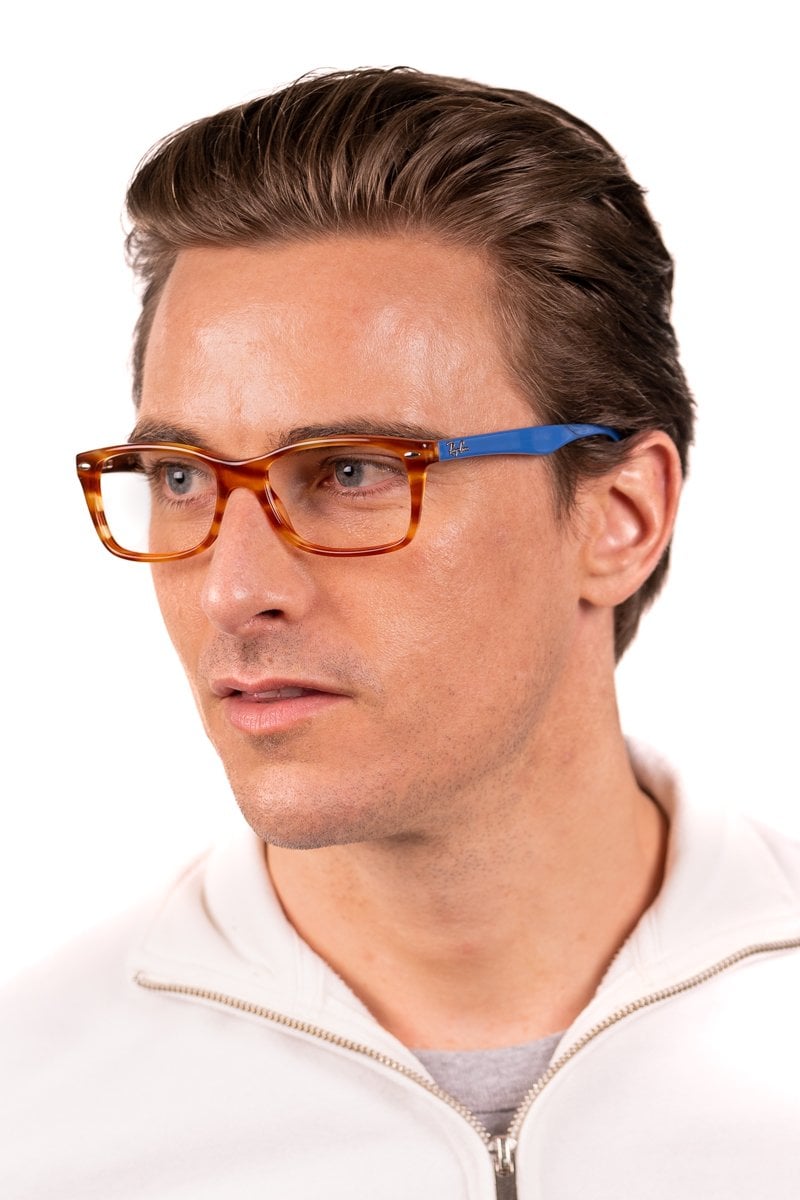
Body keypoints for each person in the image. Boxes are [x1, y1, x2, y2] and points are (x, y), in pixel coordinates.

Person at [2, 67, 798, 1199]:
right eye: (182, 476)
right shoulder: (35, 1121)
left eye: (353, 471)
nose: (234, 588)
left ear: (620, 517)